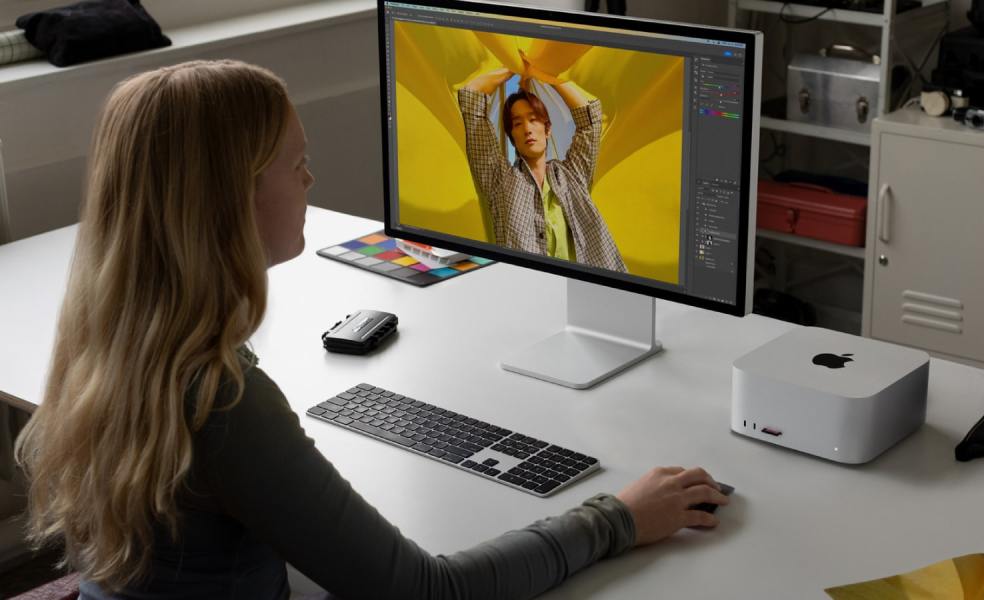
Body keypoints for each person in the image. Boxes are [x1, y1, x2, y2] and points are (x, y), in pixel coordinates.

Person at [14, 60, 728, 600]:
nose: (312, 178)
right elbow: (424, 591)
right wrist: (617, 517)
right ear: (229, 202)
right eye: (296, 165)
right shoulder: (220, 401)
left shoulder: (111, 339)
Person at [459, 53, 627, 272]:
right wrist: (514, 67)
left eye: (534, 119)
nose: (527, 128)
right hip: (528, 292)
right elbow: (471, 97)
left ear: (547, 130)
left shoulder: (573, 175)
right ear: (512, 138)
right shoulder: (499, 180)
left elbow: (591, 119)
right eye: (517, 124)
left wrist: (546, 76)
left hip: (588, 290)